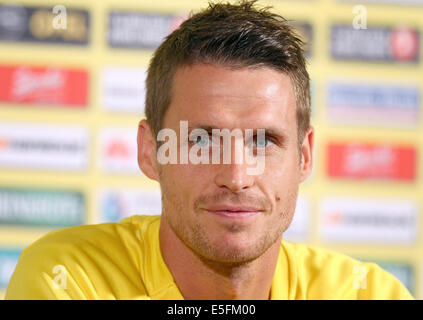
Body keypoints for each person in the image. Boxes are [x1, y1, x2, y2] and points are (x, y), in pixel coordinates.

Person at [5, 0, 413, 300]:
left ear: (304, 156)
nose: (236, 177)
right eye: (201, 140)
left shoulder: (371, 294)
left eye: (264, 141)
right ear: (151, 151)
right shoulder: (69, 278)